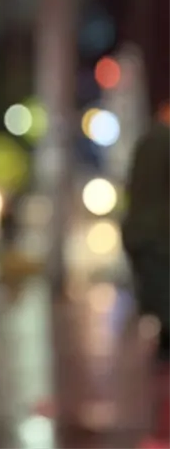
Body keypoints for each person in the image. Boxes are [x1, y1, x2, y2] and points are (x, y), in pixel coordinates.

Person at [122, 120, 170, 449]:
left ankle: (160, 429)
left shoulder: (147, 141)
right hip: (162, 243)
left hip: (144, 240)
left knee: (164, 339)